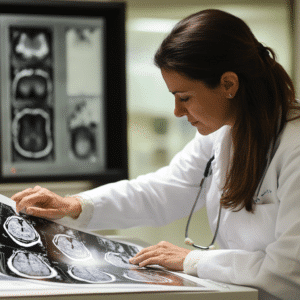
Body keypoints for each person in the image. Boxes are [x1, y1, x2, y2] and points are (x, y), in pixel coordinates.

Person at [11, 9, 300, 300]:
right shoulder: (222, 133)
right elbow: (164, 189)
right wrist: (75, 205)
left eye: (184, 97)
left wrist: (192, 261)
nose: (177, 111)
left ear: (228, 84)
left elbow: (289, 272)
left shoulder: (294, 148)